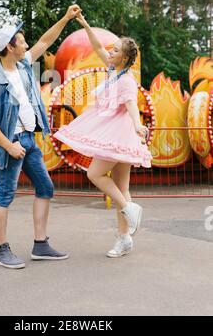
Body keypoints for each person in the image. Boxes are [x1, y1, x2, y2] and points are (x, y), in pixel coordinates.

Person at [0, 5, 81, 269]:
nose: (26, 45)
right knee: (4, 194)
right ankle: (0, 250)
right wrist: (8, 146)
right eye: (22, 41)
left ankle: (41, 244)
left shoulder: (24, 66)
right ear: (10, 47)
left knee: (45, 188)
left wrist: (67, 17)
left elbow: (46, 40)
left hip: (29, 141)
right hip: (10, 144)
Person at [54, 13, 152, 258]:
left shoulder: (127, 80)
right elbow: (98, 45)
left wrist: (138, 125)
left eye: (116, 50)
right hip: (114, 132)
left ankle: (129, 208)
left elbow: (131, 105)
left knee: (94, 173)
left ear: (126, 57)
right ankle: (124, 238)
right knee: (121, 186)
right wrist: (86, 24)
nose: (110, 51)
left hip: (118, 134)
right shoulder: (112, 70)